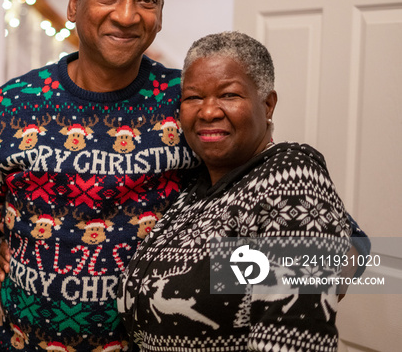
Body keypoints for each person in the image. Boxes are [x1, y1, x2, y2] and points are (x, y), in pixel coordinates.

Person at [0, 0, 198, 350]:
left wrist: (214, 284)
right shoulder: (10, 107)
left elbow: (340, 253)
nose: (127, 16)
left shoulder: (192, 105)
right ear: (74, 2)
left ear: (161, 13)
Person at [118, 31, 361, 351]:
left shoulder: (289, 177)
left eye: (229, 95)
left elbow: (290, 339)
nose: (208, 111)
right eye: (193, 97)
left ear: (268, 104)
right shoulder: (195, 189)